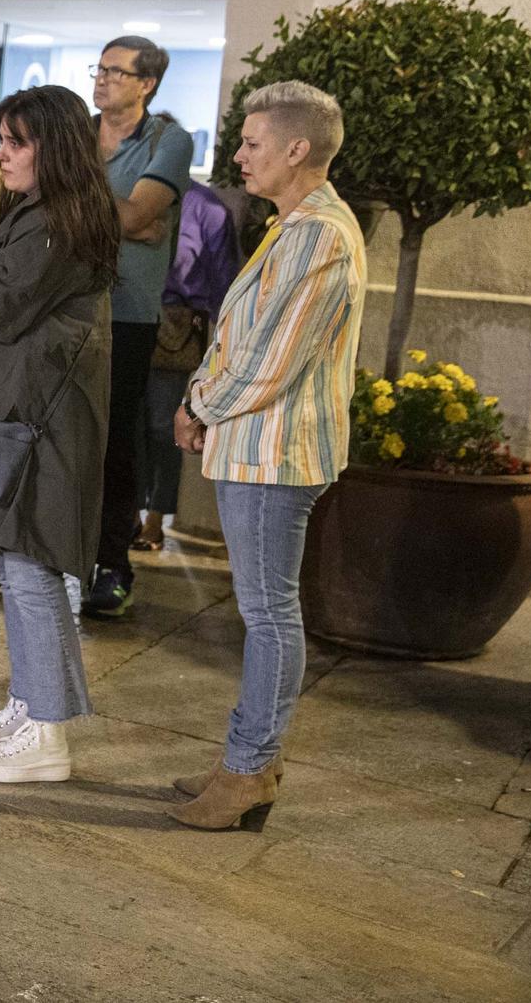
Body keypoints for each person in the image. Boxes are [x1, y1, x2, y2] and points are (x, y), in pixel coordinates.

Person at [171, 81, 365, 832]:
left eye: (252, 143)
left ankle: (250, 767)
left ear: (296, 148)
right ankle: (248, 760)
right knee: (265, 612)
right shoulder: (295, 225)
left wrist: (198, 405)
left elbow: (269, 360)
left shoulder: (319, 233)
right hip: (257, 446)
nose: (239, 155)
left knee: (269, 615)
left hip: (274, 452)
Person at [0, 86, 117, 782]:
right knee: (21, 566)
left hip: (40, 421)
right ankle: (31, 704)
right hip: (23, 411)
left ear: (53, 147)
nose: (0, 152)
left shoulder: (55, 224)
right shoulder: (45, 212)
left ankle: (47, 737)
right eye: (2, 138)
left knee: (32, 572)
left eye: (17, 141)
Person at [70, 35, 194, 617]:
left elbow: (141, 215)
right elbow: (129, 220)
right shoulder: (74, 131)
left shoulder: (168, 140)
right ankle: (46, 555)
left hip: (127, 312)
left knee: (116, 443)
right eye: (99, 69)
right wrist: (124, 220)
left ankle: (112, 565)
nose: (102, 79)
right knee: (57, 437)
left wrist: (127, 218)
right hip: (64, 305)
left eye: (116, 72)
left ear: (146, 83)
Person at [137, 178, 241, 551]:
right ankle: (136, 516)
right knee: (136, 424)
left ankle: (154, 517)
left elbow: (223, 283)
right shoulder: (139, 193)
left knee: (162, 426)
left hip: (174, 326)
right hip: (134, 317)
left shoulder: (204, 206)